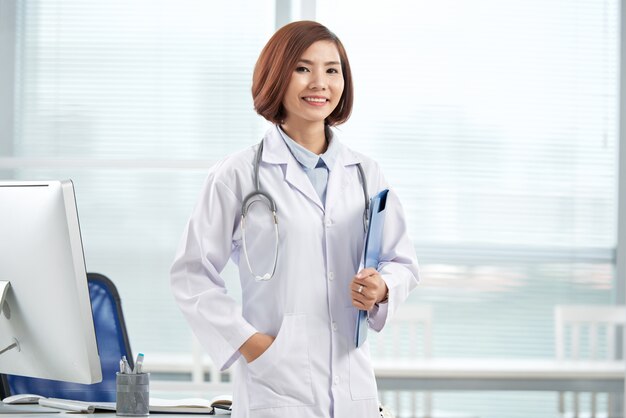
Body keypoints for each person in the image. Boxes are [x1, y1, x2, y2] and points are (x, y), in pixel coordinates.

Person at [170, 20, 419, 418]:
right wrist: (253, 345)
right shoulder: (237, 175)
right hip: (275, 386)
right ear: (276, 77)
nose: (319, 83)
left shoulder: (365, 173)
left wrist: (382, 287)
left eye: (332, 70)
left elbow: (402, 261)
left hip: (353, 386)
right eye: (303, 68)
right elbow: (190, 274)